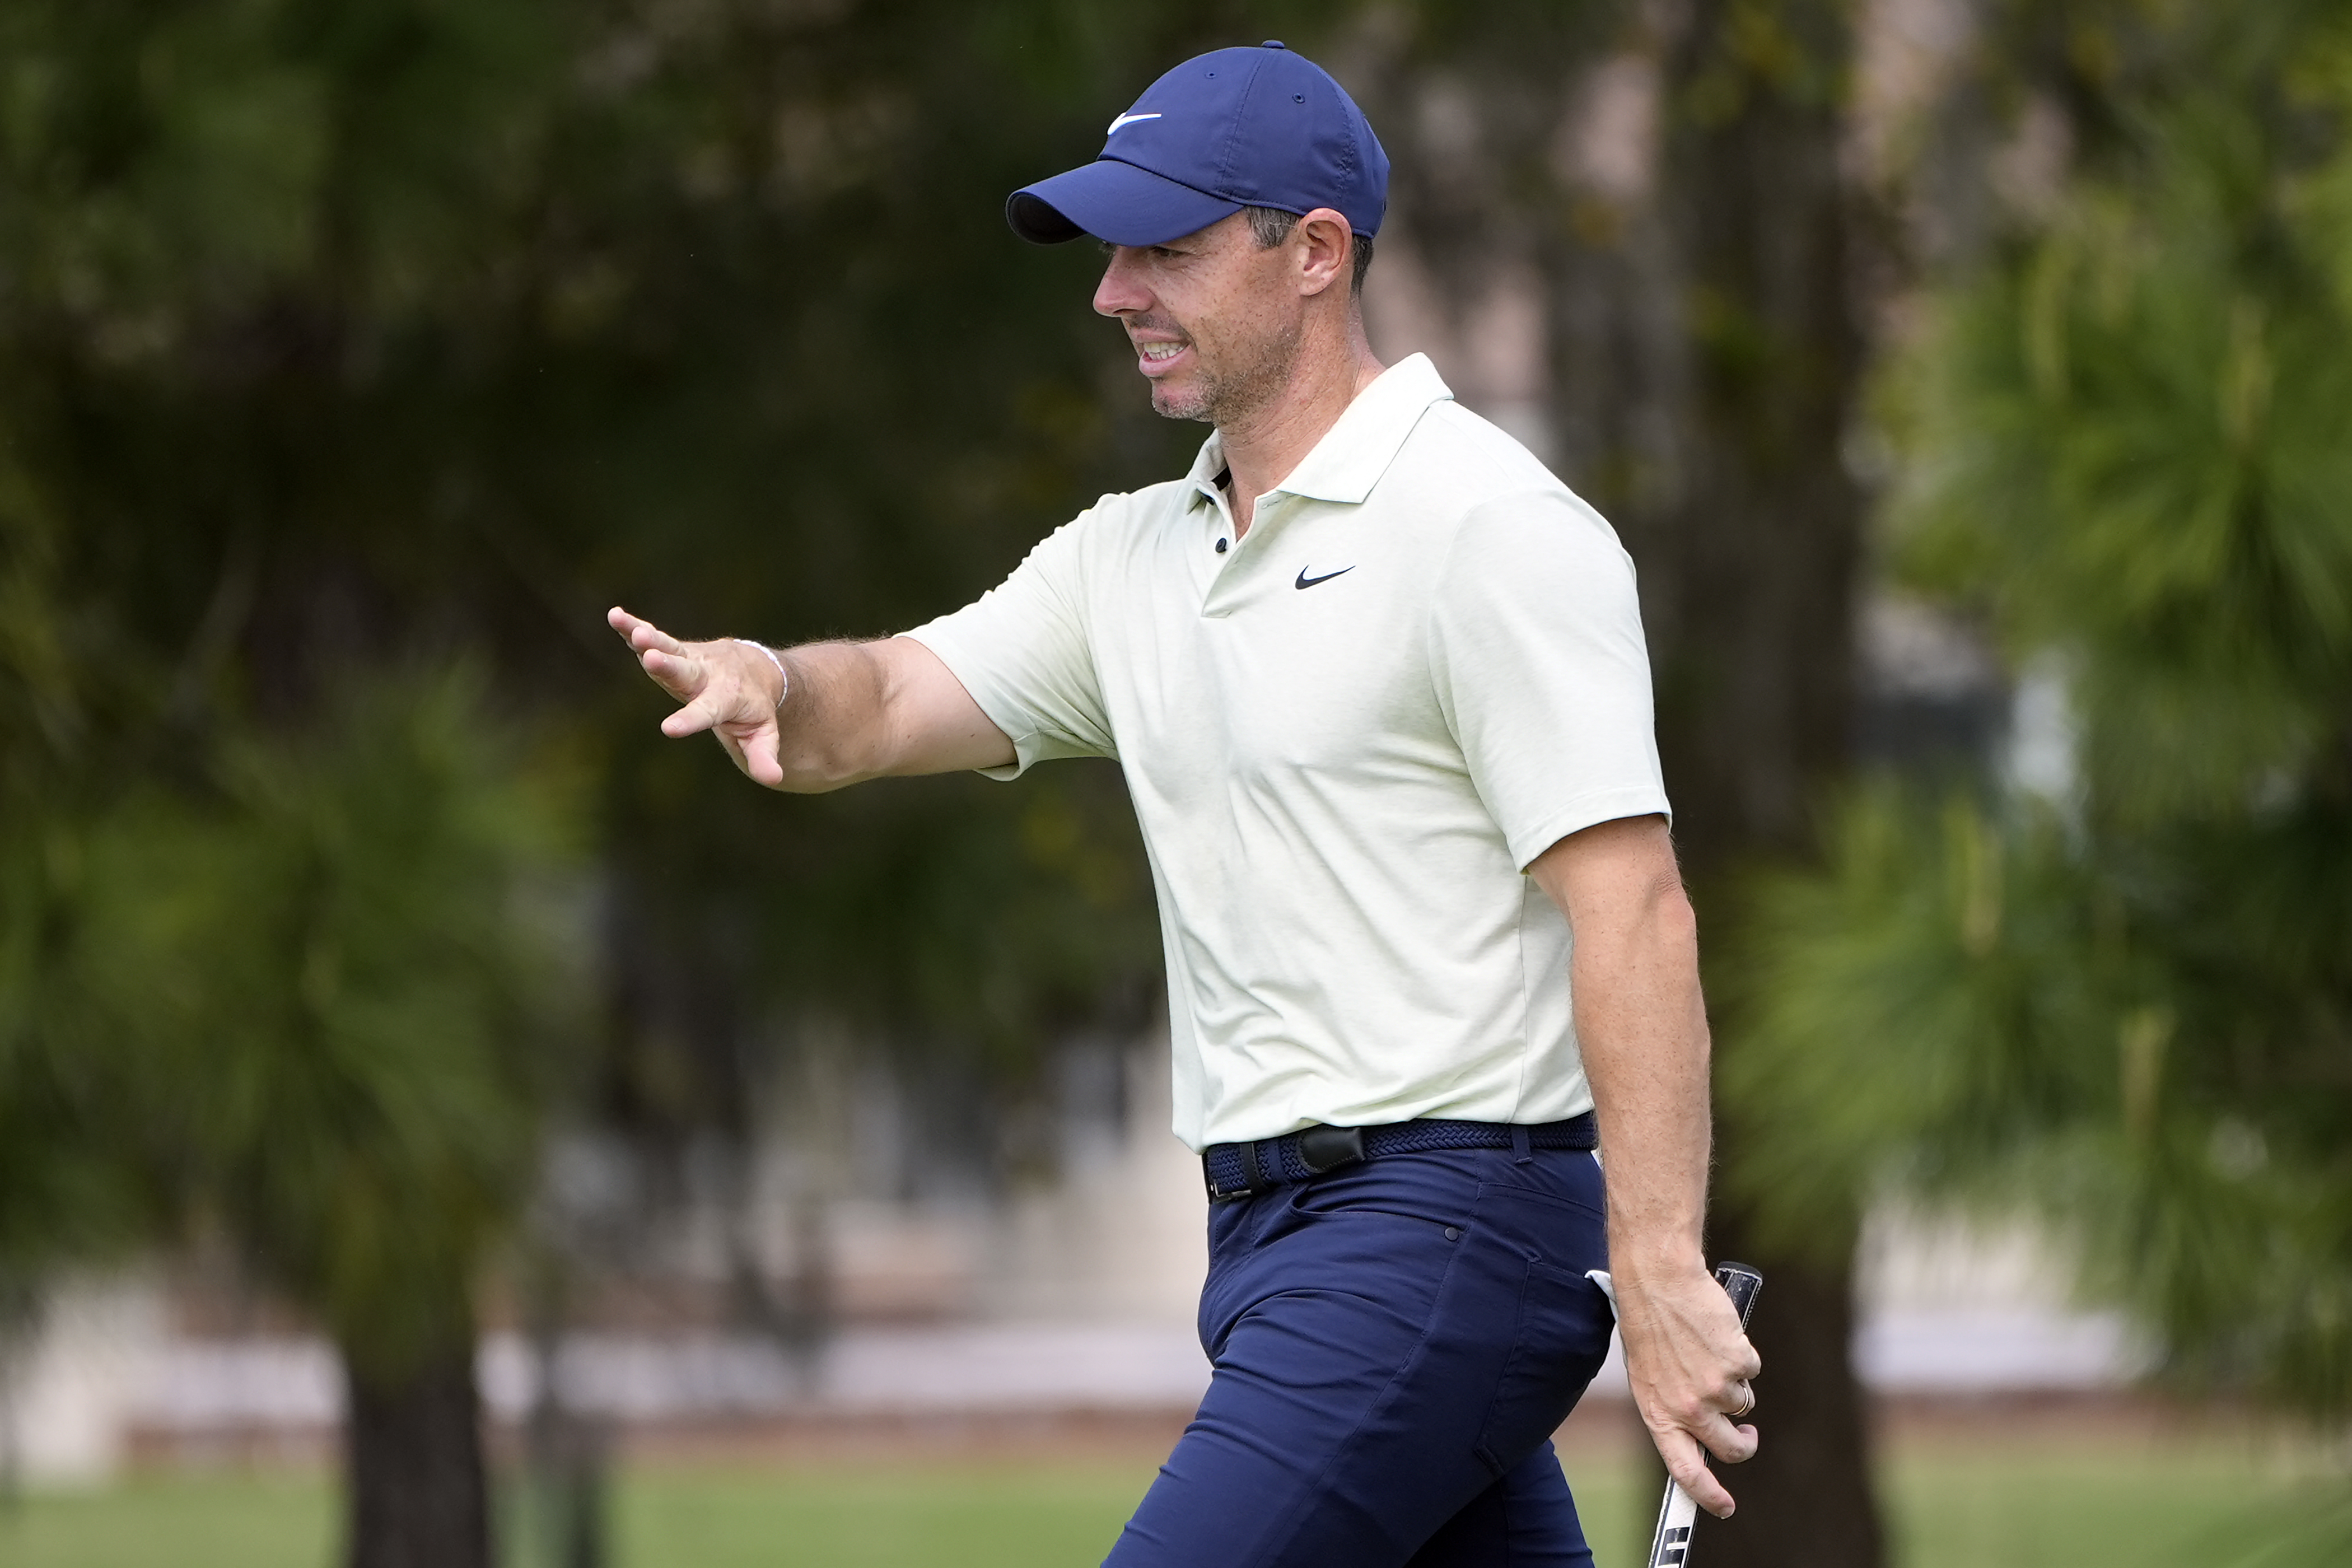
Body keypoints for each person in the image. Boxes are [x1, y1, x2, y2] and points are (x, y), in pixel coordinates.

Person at [609, 40, 1759, 1568]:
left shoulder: (1488, 531)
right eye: (1110, 254)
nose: (1114, 293)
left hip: (1443, 1232)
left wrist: (1663, 1268)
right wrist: (773, 680)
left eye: (1169, 249)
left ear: (1316, 256)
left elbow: (1634, 907)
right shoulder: (1133, 559)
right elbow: (881, 703)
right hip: (1271, 1245)